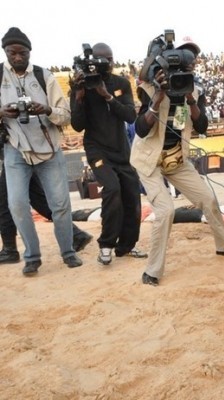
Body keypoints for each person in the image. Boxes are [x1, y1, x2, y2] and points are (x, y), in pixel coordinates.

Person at [131, 36, 224, 286]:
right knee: (165, 211)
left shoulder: (195, 89)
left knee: (208, 200)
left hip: (176, 159)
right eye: (183, 55)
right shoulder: (151, 87)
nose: (188, 61)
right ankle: (153, 271)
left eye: (192, 57)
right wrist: (157, 98)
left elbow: (203, 126)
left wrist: (190, 99)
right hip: (149, 161)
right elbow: (141, 130)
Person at [0, 27, 82, 275]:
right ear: (5, 51)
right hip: (16, 150)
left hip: (49, 149)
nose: (17, 57)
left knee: (60, 204)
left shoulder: (44, 76)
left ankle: (68, 252)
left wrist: (45, 110)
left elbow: (65, 116)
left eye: (21, 52)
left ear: (29, 52)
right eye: (11, 52)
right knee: (16, 204)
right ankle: (32, 257)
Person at [70, 42, 146, 265]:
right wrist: (80, 97)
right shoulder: (81, 85)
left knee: (132, 196)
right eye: (103, 59)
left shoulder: (121, 83)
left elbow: (131, 116)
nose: (108, 63)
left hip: (121, 150)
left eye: (110, 59)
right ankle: (106, 245)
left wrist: (107, 96)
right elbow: (77, 125)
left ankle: (126, 247)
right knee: (112, 189)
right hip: (97, 149)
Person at [0, 159, 93, 264]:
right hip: (21, 154)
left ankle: (10, 249)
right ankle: (75, 234)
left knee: (6, 201)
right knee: (37, 198)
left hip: (17, 155)